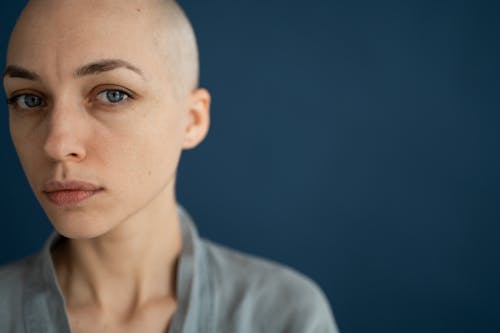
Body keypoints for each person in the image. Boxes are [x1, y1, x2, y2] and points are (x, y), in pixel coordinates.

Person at [0, 0, 339, 332]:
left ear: (192, 120)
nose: (57, 145)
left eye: (113, 94)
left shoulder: (282, 315)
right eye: (29, 99)